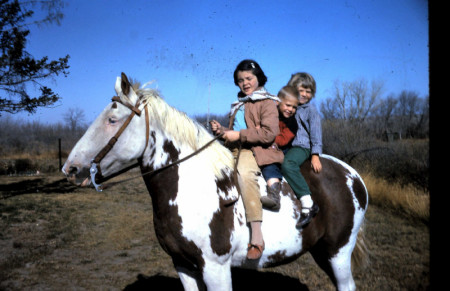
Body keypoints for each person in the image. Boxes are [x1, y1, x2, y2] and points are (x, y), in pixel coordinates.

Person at [210, 59, 282, 260]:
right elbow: (233, 132)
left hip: (255, 150)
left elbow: (269, 133)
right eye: (241, 80)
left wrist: (238, 135)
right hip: (232, 148)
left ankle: (257, 237)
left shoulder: (267, 102)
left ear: (258, 78)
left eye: (249, 78)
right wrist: (222, 130)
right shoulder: (238, 104)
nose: (245, 83)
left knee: (244, 174)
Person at [281, 72, 322, 228]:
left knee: (288, 163)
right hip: (285, 145)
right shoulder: (288, 107)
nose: (304, 94)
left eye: (308, 91)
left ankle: (307, 203)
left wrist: (315, 155)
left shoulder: (310, 111)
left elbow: (316, 135)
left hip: (302, 146)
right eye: (301, 90)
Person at [260, 85, 299, 211]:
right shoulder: (270, 113)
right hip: (266, 142)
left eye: (294, 107)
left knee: (270, 162)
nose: (290, 109)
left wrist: (270, 139)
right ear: (277, 102)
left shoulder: (292, 123)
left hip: (282, 148)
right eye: (288, 105)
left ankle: (274, 195)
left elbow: (283, 139)